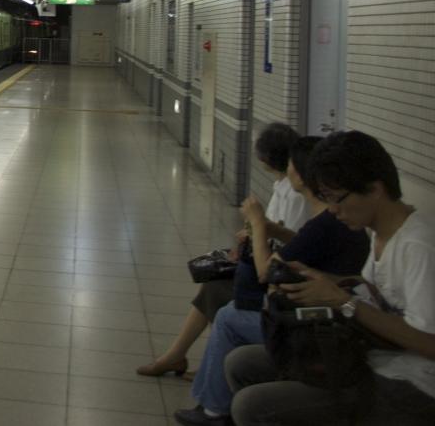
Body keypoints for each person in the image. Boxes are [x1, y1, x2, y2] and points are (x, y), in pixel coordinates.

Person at [225, 130, 435, 426]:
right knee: (242, 363)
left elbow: (429, 343)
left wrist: (344, 301)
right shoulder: (378, 231)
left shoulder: (419, 247)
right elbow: (380, 292)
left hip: (408, 384)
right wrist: (323, 280)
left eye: (337, 199)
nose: (333, 210)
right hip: (366, 356)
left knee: (252, 406)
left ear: (375, 189)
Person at [172, 136, 370, 425]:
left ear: (301, 174)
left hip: (312, 325)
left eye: (291, 164)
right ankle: (198, 378)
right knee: (218, 295)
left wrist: (257, 223)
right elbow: (301, 244)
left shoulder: (325, 223)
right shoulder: (326, 221)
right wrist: (272, 230)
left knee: (228, 317)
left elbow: (267, 272)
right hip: (320, 316)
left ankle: (214, 409)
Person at [138, 123, 309, 377]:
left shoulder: (296, 196)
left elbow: (284, 246)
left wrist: (258, 231)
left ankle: (190, 362)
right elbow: (273, 230)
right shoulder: (283, 187)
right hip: (267, 267)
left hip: (276, 281)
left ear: (267, 158)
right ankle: (180, 357)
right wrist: (253, 232)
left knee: (216, 291)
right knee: (213, 286)